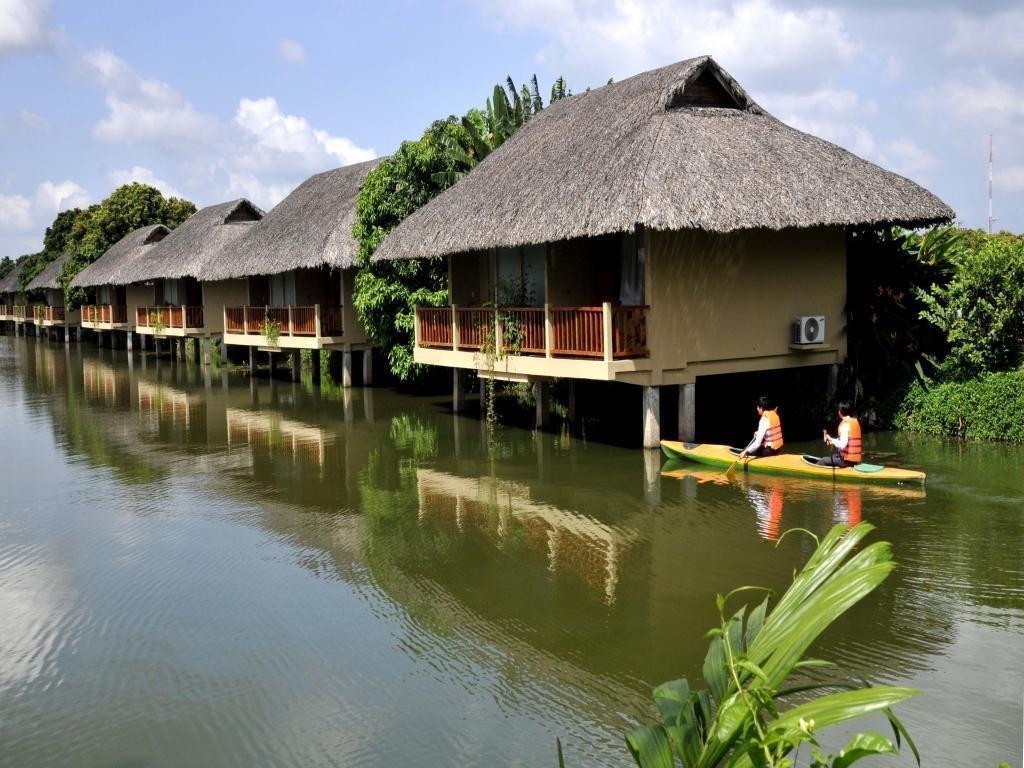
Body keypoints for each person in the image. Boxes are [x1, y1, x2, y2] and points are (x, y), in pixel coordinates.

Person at [818, 401, 863, 467]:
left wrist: (832, 441)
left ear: (839, 412)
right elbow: (844, 441)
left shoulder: (845, 425)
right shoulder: (854, 422)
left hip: (847, 461)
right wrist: (831, 439)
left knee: (823, 460)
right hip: (854, 460)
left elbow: (842, 445)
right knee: (833, 456)